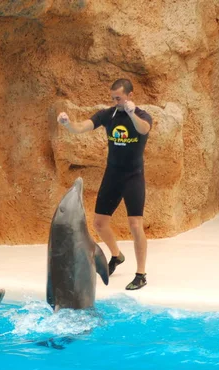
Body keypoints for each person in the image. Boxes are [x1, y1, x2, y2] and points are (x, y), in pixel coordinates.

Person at [56, 78, 152, 290]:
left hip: (133, 176)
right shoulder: (108, 115)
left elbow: (143, 130)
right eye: (113, 98)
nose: (115, 101)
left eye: (119, 97)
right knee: (99, 223)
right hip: (113, 175)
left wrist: (130, 112)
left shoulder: (142, 115)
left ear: (130, 95)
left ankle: (141, 274)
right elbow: (82, 127)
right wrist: (67, 124)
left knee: (135, 224)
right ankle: (116, 256)